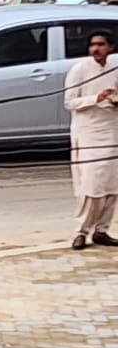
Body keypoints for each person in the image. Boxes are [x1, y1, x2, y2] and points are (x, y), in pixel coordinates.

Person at [65, 29, 118, 251]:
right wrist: (96, 98)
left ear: (110, 47)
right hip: (87, 130)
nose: (96, 49)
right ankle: (81, 231)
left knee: (112, 183)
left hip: (111, 127)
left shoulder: (115, 68)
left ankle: (102, 230)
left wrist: (113, 100)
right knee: (91, 183)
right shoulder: (80, 69)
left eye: (101, 44)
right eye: (93, 45)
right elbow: (69, 102)